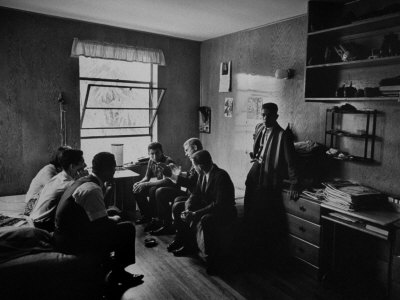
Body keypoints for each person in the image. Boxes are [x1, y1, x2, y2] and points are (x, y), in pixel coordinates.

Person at [54, 152, 143, 288]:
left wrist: (109, 214)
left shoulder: (83, 181)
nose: (114, 171)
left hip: (65, 233)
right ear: (107, 169)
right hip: (71, 240)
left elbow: (88, 214)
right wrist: (115, 218)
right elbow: (102, 225)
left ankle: (110, 265)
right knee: (127, 228)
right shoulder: (92, 189)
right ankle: (117, 272)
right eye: (113, 168)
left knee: (114, 215)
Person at [244, 102, 300, 259]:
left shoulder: (283, 135)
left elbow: (291, 162)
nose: (265, 118)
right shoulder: (260, 128)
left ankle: (262, 251)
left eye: (268, 115)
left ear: (276, 116)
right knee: (249, 204)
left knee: (262, 212)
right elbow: (258, 147)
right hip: (256, 169)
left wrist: (295, 183)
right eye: (263, 114)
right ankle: (248, 243)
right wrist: (255, 156)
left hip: (269, 175)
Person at [169, 150, 237, 273]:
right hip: (210, 207)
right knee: (179, 207)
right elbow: (196, 194)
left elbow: (219, 204)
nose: (193, 169)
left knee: (206, 219)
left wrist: (195, 213)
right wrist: (188, 209)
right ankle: (187, 244)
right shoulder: (202, 174)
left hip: (224, 212)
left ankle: (213, 261)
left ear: (201, 166)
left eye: (194, 166)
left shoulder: (221, 176)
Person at [151, 137, 203, 235]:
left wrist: (171, 175)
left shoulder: (200, 160)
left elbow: (190, 182)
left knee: (166, 195)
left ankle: (168, 226)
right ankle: (165, 224)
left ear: (195, 147)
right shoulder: (197, 159)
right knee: (160, 191)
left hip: (194, 195)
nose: (185, 153)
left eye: (187, 150)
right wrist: (177, 172)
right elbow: (191, 175)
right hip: (191, 193)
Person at [29, 149, 87, 231]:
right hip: (43, 225)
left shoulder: (59, 176)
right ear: (72, 166)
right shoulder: (67, 184)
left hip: (35, 219)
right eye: (82, 163)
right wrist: (83, 180)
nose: (85, 165)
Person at [132, 142, 177, 231]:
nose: (155, 156)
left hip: (171, 186)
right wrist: (139, 183)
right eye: (152, 154)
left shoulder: (168, 161)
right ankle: (147, 216)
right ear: (149, 154)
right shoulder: (151, 161)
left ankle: (156, 220)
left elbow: (168, 180)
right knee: (137, 189)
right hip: (160, 185)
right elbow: (147, 177)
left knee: (153, 190)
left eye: (157, 153)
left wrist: (147, 184)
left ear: (162, 152)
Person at [24, 145, 71, 215]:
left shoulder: (61, 170)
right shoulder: (48, 170)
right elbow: (53, 191)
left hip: (42, 202)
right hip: (32, 205)